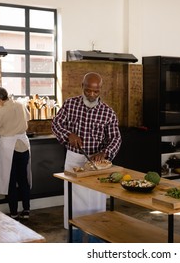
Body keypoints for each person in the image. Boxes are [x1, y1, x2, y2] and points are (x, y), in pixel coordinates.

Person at [51, 72, 121, 241]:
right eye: (88, 90)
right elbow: (56, 124)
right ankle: (74, 239)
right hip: (74, 159)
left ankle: (95, 241)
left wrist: (104, 152)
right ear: (82, 86)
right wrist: (69, 135)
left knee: (96, 201)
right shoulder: (70, 104)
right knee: (74, 201)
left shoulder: (108, 112)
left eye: (95, 91)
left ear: (100, 90)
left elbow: (115, 138)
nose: (91, 94)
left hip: (97, 164)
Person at [0, 87, 31, 220]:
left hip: (10, 148)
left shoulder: (1, 111)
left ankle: (14, 213)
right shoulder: (20, 104)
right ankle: (26, 210)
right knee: (23, 179)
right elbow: (29, 117)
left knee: (10, 181)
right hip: (23, 145)